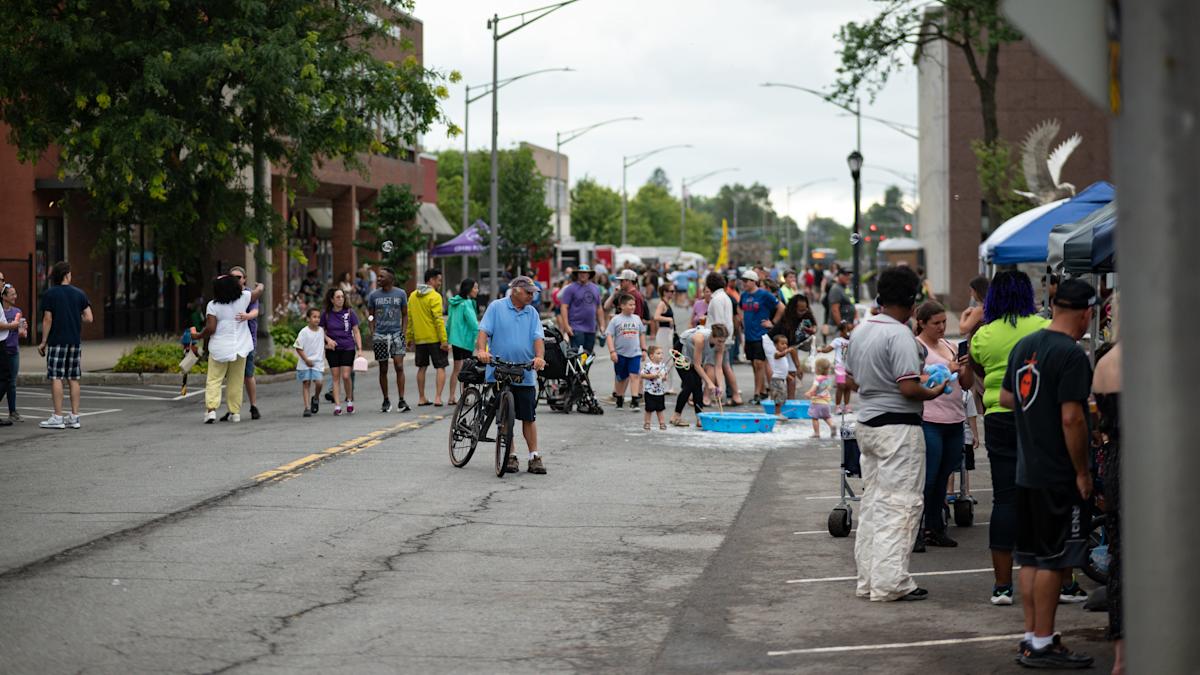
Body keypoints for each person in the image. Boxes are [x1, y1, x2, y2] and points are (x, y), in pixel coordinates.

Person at [1001, 279, 1097, 670]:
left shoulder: (1026, 346)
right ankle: (1042, 642)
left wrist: (1033, 411)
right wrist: (1083, 471)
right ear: (1086, 312)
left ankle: (1031, 636)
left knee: (1032, 559)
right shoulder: (1071, 355)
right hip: (1057, 474)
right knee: (1055, 560)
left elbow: (1009, 396)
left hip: (1027, 470)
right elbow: (1072, 417)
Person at [844, 265, 948, 602]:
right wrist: (934, 391)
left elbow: (850, 379)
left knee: (874, 504)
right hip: (898, 428)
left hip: (868, 424)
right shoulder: (900, 334)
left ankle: (869, 579)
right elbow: (908, 387)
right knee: (900, 506)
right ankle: (891, 583)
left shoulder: (861, 330)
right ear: (912, 301)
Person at [968, 270, 1050, 606]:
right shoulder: (1044, 328)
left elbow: (980, 373)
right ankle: (1064, 581)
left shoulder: (983, 335)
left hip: (998, 417)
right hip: (1039, 416)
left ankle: (1002, 586)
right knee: (1047, 497)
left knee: (1005, 499)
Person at [913, 301, 975, 550]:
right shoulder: (916, 347)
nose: (941, 327)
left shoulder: (949, 345)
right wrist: (943, 369)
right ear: (922, 323)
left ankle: (935, 527)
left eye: (943, 322)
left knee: (943, 477)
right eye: (935, 323)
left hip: (954, 418)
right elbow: (912, 378)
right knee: (928, 478)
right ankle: (917, 530)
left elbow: (967, 384)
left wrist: (965, 366)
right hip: (930, 418)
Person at [475, 276, 547, 475]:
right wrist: (482, 351)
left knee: (528, 416)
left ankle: (534, 456)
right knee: (506, 414)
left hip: (524, 370)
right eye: (528, 292)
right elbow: (483, 332)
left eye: (533, 293)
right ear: (516, 290)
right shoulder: (496, 307)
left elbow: (538, 338)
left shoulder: (532, 312)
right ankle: (511, 455)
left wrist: (539, 357)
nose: (532, 296)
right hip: (499, 368)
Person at [1092, 293, 1123, 675]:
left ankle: (1122, 655)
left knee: (1122, 556)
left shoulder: (1104, 363)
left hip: (1117, 460)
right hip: (1155, 460)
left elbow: (1099, 422)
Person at [192, 274, 262, 424]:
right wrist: (260, 285)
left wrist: (198, 335)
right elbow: (258, 293)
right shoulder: (243, 298)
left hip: (219, 348)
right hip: (241, 346)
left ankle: (211, 410)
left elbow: (211, 328)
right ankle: (235, 412)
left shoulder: (213, 305)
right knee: (236, 380)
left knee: (214, 380)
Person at [37, 262, 94, 430]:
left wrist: (43, 341)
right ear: (67, 274)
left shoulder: (50, 294)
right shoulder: (79, 293)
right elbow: (89, 318)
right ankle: (75, 417)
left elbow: (48, 319)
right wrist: (75, 317)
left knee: (56, 376)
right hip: (74, 341)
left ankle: (57, 416)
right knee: (73, 378)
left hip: (57, 341)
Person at [367, 267, 411, 413]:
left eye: (381, 277)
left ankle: (402, 400)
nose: (378, 279)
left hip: (396, 334)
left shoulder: (401, 293)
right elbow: (371, 315)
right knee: (383, 368)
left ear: (391, 279)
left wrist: (403, 332)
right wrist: (373, 331)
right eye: (378, 277)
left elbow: (405, 315)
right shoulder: (373, 296)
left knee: (399, 366)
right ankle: (386, 400)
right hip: (380, 335)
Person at [670, 323, 727, 428]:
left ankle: (699, 417)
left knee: (697, 385)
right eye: (719, 341)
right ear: (712, 337)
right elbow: (697, 365)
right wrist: (709, 383)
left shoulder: (720, 344)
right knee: (690, 384)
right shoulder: (700, 339)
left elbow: (718, 368)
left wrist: (720, 386)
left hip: (694, 356)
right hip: (682, 352)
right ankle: (675, 416)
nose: (721, 344)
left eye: (723, 341)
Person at [740, 270, 784, 404]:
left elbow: (781, 307)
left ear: (754, 282)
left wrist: (773, 322)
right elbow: (739, 307)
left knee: (759, 364)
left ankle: (757, 394)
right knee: (754, 365)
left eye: (746, 281)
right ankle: (762, 390)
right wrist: (741, 320)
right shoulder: (744, 295)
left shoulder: (764, 294)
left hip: (761, 335)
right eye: (743, 281)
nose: (744, 284)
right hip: (749, 335)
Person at [408, 268, 450, 407]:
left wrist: (409, 337)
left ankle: (421, 397)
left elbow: (410, 319)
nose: (440, 283)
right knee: (441, 367)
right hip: (434, 338)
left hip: (420, 339)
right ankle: (438, 398)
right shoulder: (435, 296)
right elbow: (438, 319)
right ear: (431, 280)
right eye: (438, 280)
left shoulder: (413, 296)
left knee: (422, 367)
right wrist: (444, 340)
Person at [321, 287, 362, 415]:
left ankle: (349, 400)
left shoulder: (349, 312)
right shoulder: (326, 314)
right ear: (332, 300)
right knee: (335, 377)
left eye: (342, 297)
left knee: (346, 375)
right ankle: (337, 406)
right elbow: (321, 330)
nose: (341, 299)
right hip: (332, 349)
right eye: (338, 297)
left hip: (348, 347)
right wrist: (328, 340)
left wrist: (360, 349)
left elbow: (356, 331)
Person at [227, 266, 261, 421]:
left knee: (248, 374)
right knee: (232, 376)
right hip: (229, 340)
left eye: (238, 277)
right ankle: (232, 408)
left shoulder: (248, 294)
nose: (236, 280)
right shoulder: (226, 294)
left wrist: (248, 315)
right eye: (232, 277)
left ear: (244, 279)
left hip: (247, 341)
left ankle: (253, 405)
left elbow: (255, 311)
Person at [704, 272, 743, 405]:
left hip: (717, 337)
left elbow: (719, 322)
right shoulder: (725, 296)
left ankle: (707, 397)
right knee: (725, 366)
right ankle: (736, 394)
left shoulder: (717, 299)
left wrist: (718, 340)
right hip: (724, 336)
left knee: (710, 366)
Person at [773, 294, 818, 398]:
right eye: (800, 310)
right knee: (780, 375)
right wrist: (798, 367)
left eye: (805, 309)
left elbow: (814, 324)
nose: (803, 313)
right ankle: (777, 403)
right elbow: (791, 348)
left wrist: (813, 329)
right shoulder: (787, 321)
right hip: (780, 346)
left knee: (791, 374)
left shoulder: (806, 312)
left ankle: (791, 400)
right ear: (793, 309)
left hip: (792, 346)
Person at [606, 294, 646, 410]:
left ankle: (635, 400)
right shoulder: (616, 320)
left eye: (634, 305)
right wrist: (612, 351)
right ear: (622, 306)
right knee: (621, 377)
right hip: (620, 353)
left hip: (635, 353)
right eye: (630, 305)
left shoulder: (637, 319)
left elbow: (642, 334)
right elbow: (609, 335)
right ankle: (619, 398)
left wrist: (644, 349)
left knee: (634, 375)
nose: (633, 307)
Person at [557, 265, 605, 354]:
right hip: (576, 327)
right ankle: (577, 368)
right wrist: (566, 326)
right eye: (581, 273)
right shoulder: (570, 288)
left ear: (589, 275)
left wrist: (602, 325)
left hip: (591, 328)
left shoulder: (595, 288)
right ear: (577, 274)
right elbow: (564, 307)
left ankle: (584, 368)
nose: (583, 275)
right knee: (577, 356)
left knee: (588, 355)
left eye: (585, 273)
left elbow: (599, 308)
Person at [447, 278, 479, 406]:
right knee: (466, 370)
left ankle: (451, 397)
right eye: (475, 287)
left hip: (455, 340)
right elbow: (472, 323)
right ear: (469, 289)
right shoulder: (467, 303)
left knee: (456, 369)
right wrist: (480, 335)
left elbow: (449, 322)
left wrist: (448, 338)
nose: (477, 290)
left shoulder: (454, 303)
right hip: (466, 340)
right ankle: (464, 396)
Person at [293, 307, 326, 417]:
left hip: (317, 362)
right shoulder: (304, 332)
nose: (317, 319)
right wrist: (306, 359)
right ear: (308, 319)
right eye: (314, 317)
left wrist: (329, 343)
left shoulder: (321, 331)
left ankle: (315, 398)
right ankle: (307, 407)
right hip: (305, 361)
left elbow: (324, 341)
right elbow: (298, 347)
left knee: (319, 382)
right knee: (306, 383)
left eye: (318, 317)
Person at [2, 283, 26, 422]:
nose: (15, 297)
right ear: (4, 297)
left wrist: (23, 330)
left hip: (13, 350)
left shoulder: (17, 311)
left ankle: (13, 411)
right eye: (12, 294)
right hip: (2, 350)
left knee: (12, 382)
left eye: (15, 294)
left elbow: (22, 333)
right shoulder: (1, 312)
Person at [819, 321, 854, 414]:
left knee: (848, 387)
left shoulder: (853, 341)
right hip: (840, 367)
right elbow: (828, 349)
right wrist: (821, 350)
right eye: (847, 330)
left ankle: (846, 405)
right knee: (841, 386)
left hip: (850, 368)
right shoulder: (838, 340)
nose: (849, 332)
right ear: (841, 331)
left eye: (851, 330)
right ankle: (838, 406)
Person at [652, 282, 678, 393]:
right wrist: (669, 320)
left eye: (673, 291)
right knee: (664, 358)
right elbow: (656, 316)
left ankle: (667, 385)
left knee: (668, 359)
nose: (673, 293)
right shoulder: (662, 304)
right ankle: (664, 385)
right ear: (665, 292)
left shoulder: (667, 303)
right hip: (663, 333)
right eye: (671, 291)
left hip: (668, 332)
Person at [763, 333, 794, 416]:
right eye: (782, 344)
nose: (785, 346)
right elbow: (779, 355)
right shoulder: (776, 353)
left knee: (782, 395)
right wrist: (787, 351)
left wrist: (787, 376)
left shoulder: (783, 356)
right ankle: (777, 413)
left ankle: (779, 412)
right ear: (775, 345)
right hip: (776, 380)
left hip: (781, 379)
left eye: (786, 344)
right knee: (779, 396)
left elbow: (781, 369)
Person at [805, 358, 837, 438]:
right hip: (826, 402)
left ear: (818, 369)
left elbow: (814, 388)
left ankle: (817, 433)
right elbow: (828, 388)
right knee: (827, 417)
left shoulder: (818, 379)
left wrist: (809, 393)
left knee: (815, 418)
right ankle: (832, 425)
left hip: (817, 402)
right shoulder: (828, 378)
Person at [640, 345, 669, 430]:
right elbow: (642, 375)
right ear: (652, 356)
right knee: (649, 409)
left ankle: (662, 423)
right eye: (658, 353)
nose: (661, 355)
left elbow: (665, 377)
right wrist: (652, 375)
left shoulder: (663, 366)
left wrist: (664, 378)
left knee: (660, 409)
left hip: (660, 391)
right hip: (649, 391)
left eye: (662, 353)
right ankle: (647, 423)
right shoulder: (648, 365)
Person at [826, 267, 855, 338]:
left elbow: (852, 304)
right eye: (845, 275)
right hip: (838, 329)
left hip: (847, 327)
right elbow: (835, 310)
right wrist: (842, 328)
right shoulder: (836, 289)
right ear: (839, 276)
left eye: (849, 275)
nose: (848, 277)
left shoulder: (846, 288)